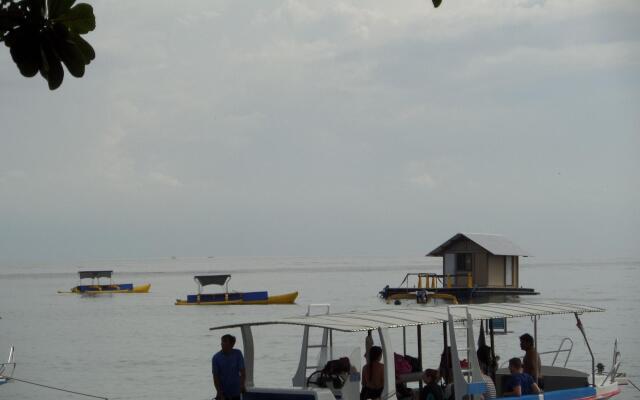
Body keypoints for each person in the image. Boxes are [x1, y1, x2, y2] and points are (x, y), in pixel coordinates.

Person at [212, 334, 246, 400]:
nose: (222, 343)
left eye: (225, 341)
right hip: (223, 393)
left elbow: (243, 371)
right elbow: (215, 377)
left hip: (236, 392)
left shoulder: (237, 354)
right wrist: (219, 392)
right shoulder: (216, 358)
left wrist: (242, 385)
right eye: (222, 341)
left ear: (231, 344)